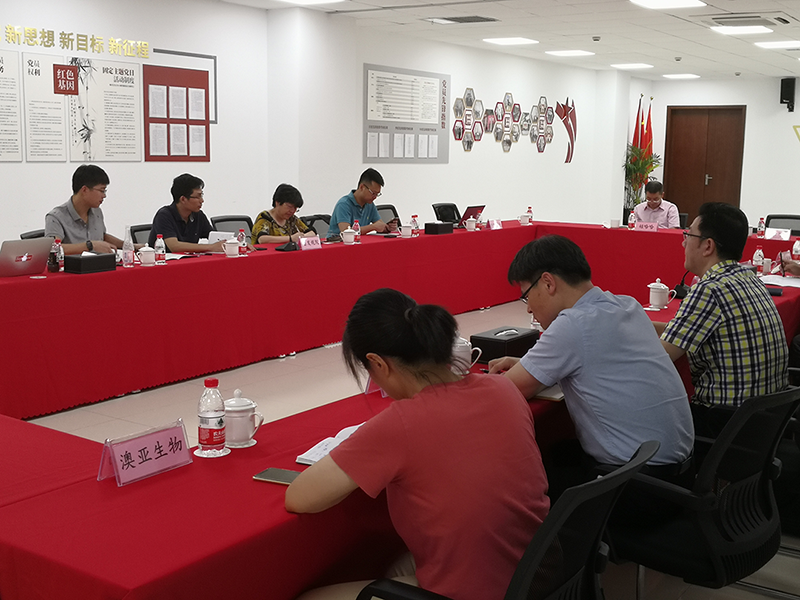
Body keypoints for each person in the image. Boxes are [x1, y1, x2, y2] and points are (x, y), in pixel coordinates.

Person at [286, 288, 549, 600]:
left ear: (377, 363)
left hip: (479, 591)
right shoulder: (503, 389)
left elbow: (299, 498)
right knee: (397, 567)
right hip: (536, 571)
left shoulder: (401, 423)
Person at [488, 235, 693, 493]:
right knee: (561, 451)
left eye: (526, 296)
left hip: (635, 486)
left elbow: (506, 391)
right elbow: (600, 358)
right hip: (678, 474)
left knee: (524, 482)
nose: (528, 309)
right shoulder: (627, 305)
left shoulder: (573, 325)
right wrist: (527, 364)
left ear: (548, 282)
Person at [655, 202, 788, 435]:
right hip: (764, 424)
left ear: (708, 246)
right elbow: (684, 330)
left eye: (688, 235)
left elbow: (658, 357)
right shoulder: (749, 278)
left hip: (724, 424)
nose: (683, 242)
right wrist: (637, 323)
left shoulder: (710, 289)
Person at [45, 164, 130, 255]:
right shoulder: (55, 217)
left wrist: (129, 246)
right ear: (84, 190)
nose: (104, 196)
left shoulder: (97, 212)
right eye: (102, 191)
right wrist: (89, 246)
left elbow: (102, 237)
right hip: (74, 264)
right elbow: (53, 249)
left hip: (99, 262)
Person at [148, 173, 225, 253]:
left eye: (201, 196)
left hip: (190, 259)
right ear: (183, 199)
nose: (202, 200)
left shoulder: (198, 215)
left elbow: (214, 237)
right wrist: (211, 247)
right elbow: (174, 246)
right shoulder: (164, 215)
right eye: (198, 196)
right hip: (165, 260)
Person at [326, 168, 397, 238]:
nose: (375, 197)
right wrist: (373, 227)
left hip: (360, 242)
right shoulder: (343, 204)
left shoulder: (370, 204)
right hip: (338, 243)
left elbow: (379, 224)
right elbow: (347, 233)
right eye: (373, 193)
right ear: (362, 187)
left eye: (377, 194)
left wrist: (387, 228)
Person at [251, 184, 316, 244]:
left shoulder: (292, 219)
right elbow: (262, 239)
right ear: (277, 203)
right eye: (289, 206)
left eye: (295, 208)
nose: (292, 211)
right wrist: (290, 238)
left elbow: (312, 233)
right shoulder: (264, 217)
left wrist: (301, 236)